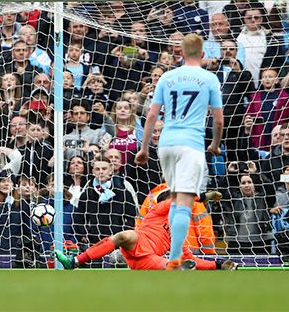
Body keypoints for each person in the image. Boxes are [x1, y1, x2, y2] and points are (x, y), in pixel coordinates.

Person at [134, 34, 223, 270]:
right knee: (184, 203)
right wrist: (214, 144)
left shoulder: (167, 77)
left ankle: (173, 255)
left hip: (166, 144)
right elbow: (219, 120)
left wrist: (144, 148)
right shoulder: (209, 79)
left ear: (180, 54)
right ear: (203, 54)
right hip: (190, 144)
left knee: (175, 200)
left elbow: (152, 115)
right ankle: (175, 259)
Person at [55, 190, 237, 271]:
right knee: (125, 234)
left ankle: (178, 271)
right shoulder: (159, 210)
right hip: (138, 241)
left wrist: (218, 264)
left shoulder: (178, 230)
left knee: (172, 265)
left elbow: (191, 258)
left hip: (148, 259)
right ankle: (76, 261)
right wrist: (205, 196)